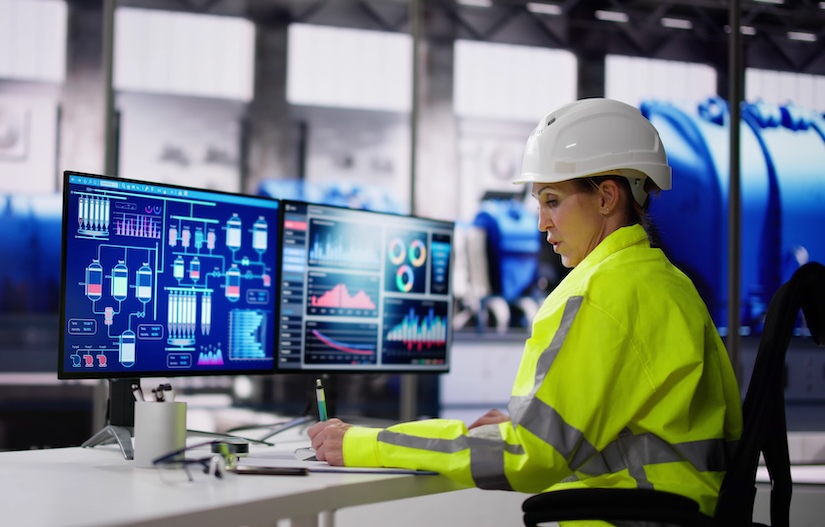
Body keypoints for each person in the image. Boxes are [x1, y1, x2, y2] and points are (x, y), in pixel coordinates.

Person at [307, 98, 743, 517]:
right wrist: (527, 425)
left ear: (608, 197)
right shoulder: (667, 282)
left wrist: (364, 442)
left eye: (552, 200)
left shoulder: (599, 294)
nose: (541, 223)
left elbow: (527, 456)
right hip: (680, 512)